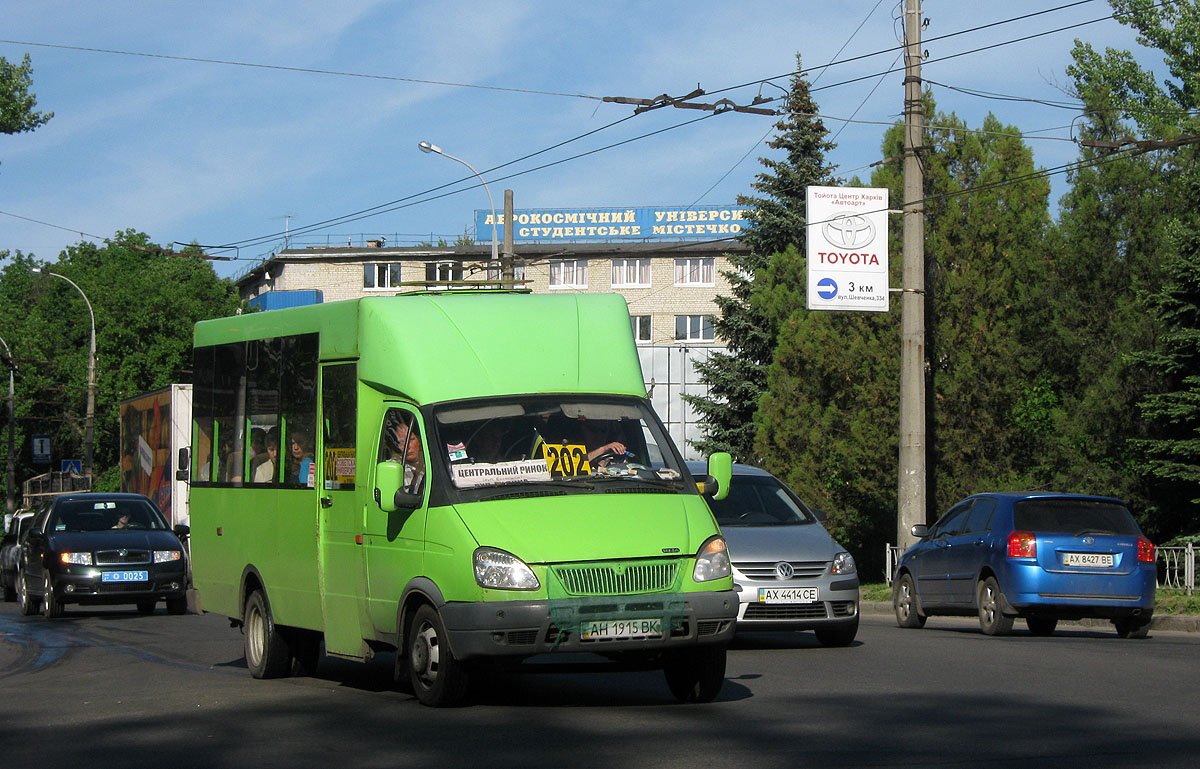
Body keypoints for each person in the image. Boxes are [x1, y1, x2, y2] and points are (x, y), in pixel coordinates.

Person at [382, 410, 426, 495]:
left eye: (411, 439)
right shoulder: (392, 467)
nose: (407, 446)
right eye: (401, 441)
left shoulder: (433, 462)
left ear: (420, 441)